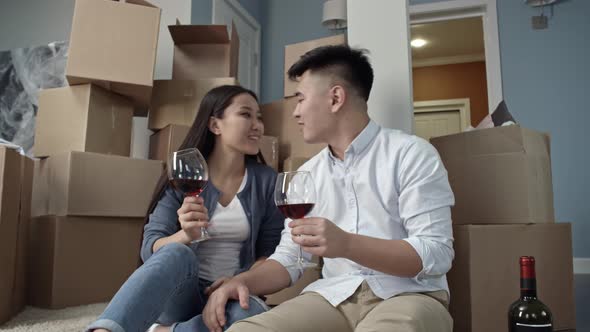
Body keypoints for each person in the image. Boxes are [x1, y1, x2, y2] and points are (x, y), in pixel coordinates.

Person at [202, 45, 456, 332]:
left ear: (335, 98)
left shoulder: (410, 154)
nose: (295, 112)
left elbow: (435, 254)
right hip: (333, 297)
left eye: (300, 99)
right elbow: (290, 258)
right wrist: (242, 281)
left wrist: (346, 244)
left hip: (409, 295)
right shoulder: (308, 174)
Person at [87, 85, 285, 332]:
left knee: (254, 313)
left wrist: (236, 282)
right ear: (215, 125)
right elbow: (151, 248)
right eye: (246, 115)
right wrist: (185, 235)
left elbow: (270, 253)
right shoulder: (185, 177)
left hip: (229, 296)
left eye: (259, 117)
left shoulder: (266, 181)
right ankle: (107, 330)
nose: (257, 125)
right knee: (177, 252)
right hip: (181, 293)